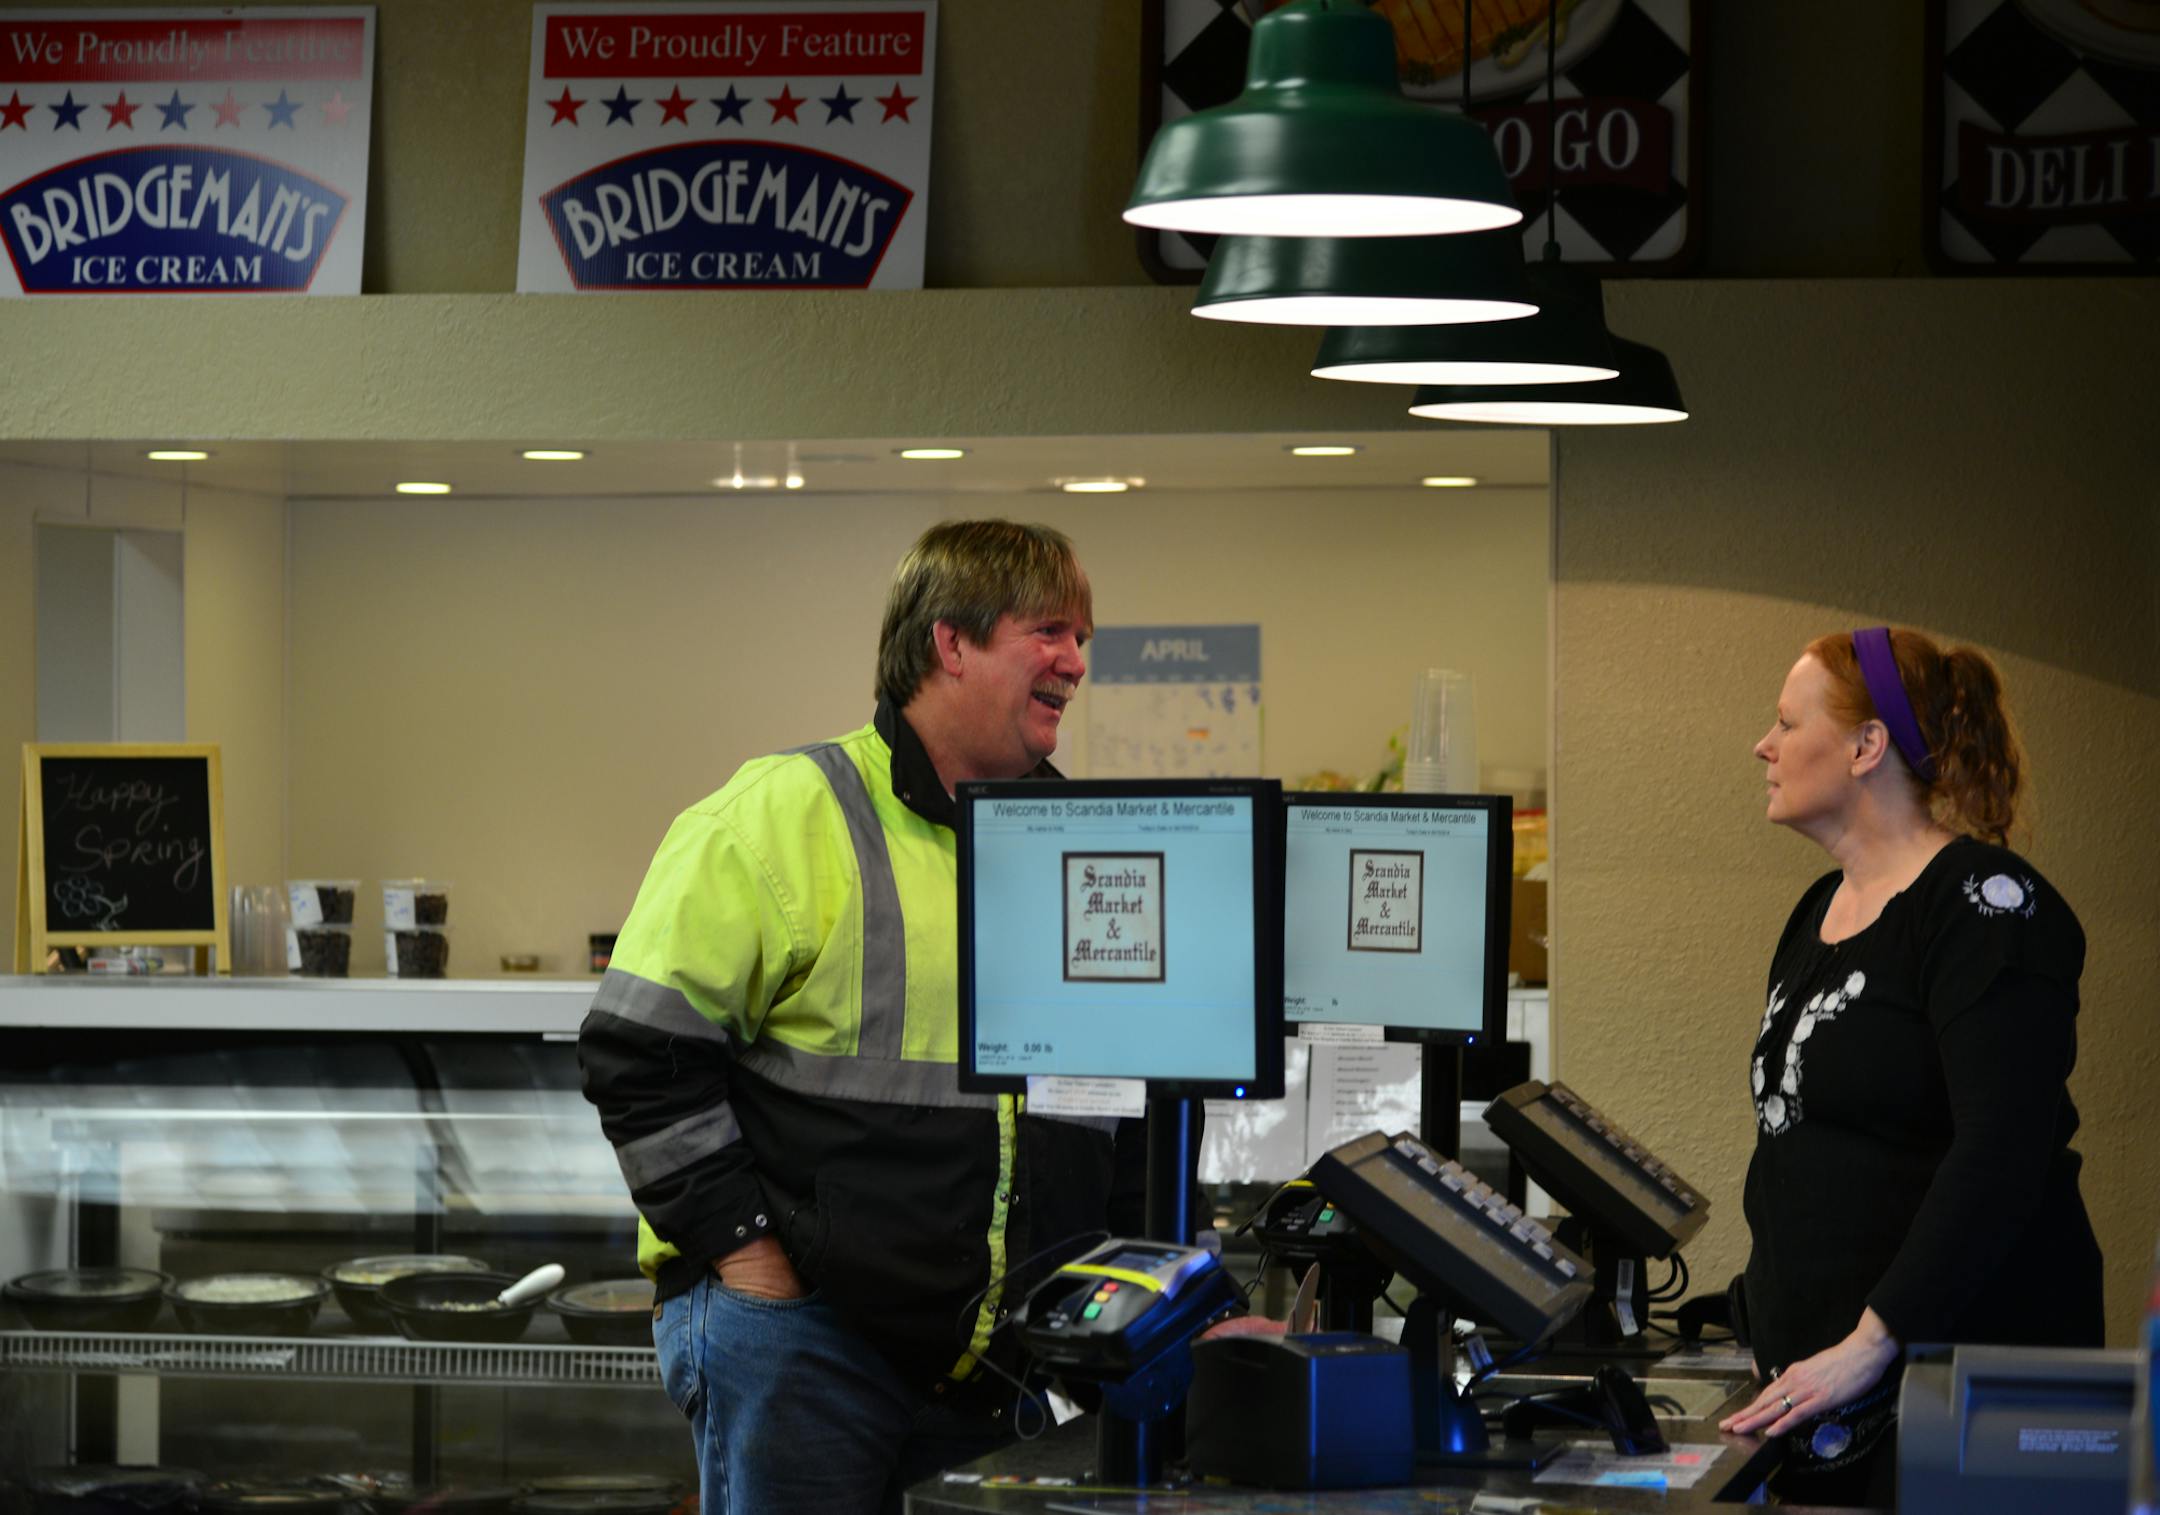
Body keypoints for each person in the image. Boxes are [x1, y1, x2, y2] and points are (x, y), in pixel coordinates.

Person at [578, 520, 1129, 1515]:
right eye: (1047, 632)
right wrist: (749, 1256)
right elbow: (637, 1052)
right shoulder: (783, 813)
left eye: (1082, 637)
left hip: (993, 1372)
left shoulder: (1080, 849)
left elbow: (1108, 1093)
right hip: (805, 1346)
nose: (1075, 662)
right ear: (948, 643)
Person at [1718, 626, 2103, 1505]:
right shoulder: (1822, 907)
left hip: (1956, 1406)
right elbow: (1805, 1143)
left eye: (1785, 721)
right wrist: (1758, 1314)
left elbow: (2002, 1152)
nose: (1763, 745)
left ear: (1866, 745)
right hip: (1828, 1410)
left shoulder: (1985, 907)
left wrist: (1872, 1340)